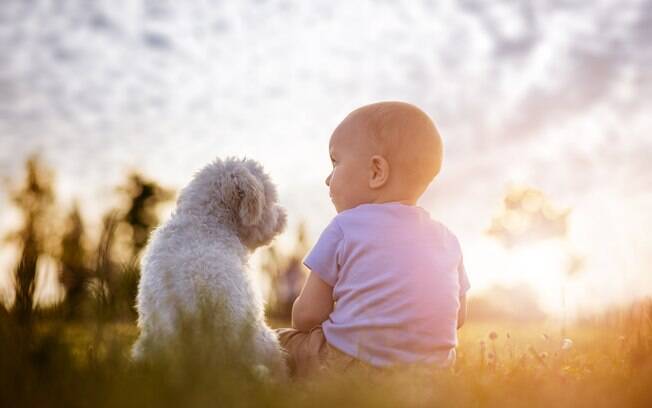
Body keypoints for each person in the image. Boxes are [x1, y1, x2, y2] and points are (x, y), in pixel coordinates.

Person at [276, 101, 470, 378]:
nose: (328, 179)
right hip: (430, 375)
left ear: (376, 172)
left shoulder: (345, 227)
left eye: (335, 162)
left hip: (346, 366)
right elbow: (458, 318)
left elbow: (306, 316)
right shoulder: (448, 239)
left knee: (275, 342)